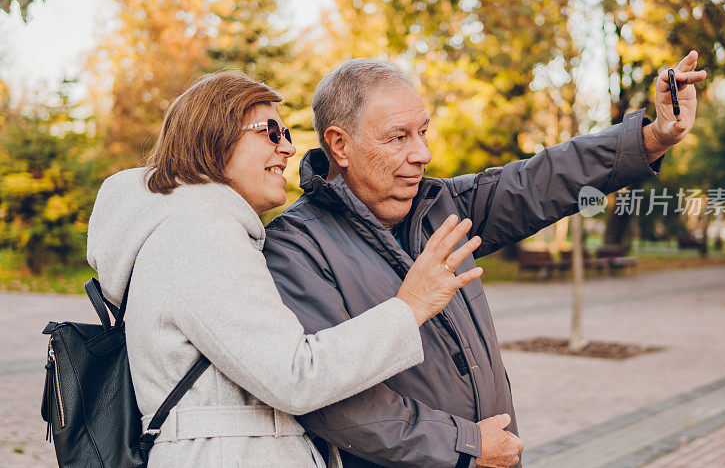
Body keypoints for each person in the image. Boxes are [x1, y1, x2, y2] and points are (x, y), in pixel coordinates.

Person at [262, 53, 707, 467]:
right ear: (340, 145)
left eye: (423, 131)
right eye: (400, 137)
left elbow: (542, 180)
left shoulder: (440, 205)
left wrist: (651, 137)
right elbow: (337, 405)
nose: (422, 154)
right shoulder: (296, 248)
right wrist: (466, 447)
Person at [86, 70, 485, 467]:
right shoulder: (198, 232)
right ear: (214, 137)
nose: (289, 149)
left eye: (288, 134)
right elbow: (295, 376)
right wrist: (411, 306)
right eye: (270, 132)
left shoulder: (189, 228)